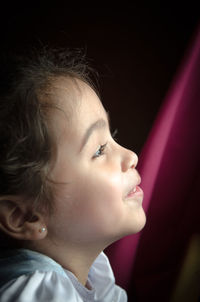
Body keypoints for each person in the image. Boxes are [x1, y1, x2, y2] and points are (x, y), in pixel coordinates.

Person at [0, 47, 146, 301]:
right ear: (25, 216)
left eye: (113, 137)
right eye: (100, 150)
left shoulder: (92, 275)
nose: (131, 156)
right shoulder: (39, 293)